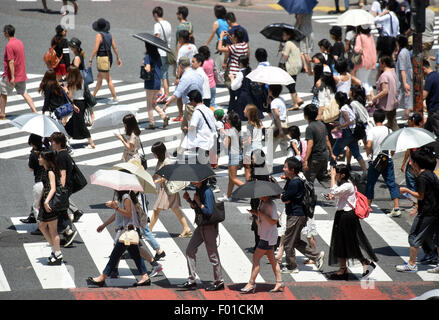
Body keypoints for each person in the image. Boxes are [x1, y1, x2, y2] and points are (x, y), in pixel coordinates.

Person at [87, 190, 151, 287]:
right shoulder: (123, 198)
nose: (114, 189)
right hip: (128, 232)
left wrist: (116, 207)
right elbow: (117, 215)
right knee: (136, 255)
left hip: (128, 232)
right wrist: (104, 225)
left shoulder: (126, 197)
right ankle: (145, 276)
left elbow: (128, 213)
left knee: (115, 255)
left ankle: (102, 277)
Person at [326, 164, 378, 280]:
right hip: (342, 215)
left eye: (337, 174)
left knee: (350, 243)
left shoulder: (348, 185)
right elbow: (337, 195)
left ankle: (365, 263)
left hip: (347, 216)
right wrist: (331, 196)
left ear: (342, 174)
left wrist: (332, 178)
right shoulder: (346, 184)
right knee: (340, 243)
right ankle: (343, 269)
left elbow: (334, 191)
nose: (335, 176)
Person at [396, 147, 439, 273]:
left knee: (414, 236)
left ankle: (412, 264)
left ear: (417, 163)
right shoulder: (431, 174)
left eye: (412, 162)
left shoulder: (421, 177)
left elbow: (421, 195)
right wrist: (417, 207)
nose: (411, 164)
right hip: (436, 211)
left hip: (427, 212)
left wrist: (406, 190)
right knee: (436, 238)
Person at [280, 157, 325, 274]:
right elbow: (285, 196)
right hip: (296, 214)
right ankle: (316, 256)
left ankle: (292, 266)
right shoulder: (292, 180)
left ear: (292, 170)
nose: (283, 169)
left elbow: (284, 198)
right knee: (294, 241)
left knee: (288, 242)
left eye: (285, 167)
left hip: (296, 215)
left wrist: (284, 197)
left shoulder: (295, 182)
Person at [179, 179, 225, 291]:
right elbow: (197, 208)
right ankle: (191, 280)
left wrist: (198, 202)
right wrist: (189, 200)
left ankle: (219, 281)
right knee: (190, 250)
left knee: (212, 255)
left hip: (209, 227)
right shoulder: (198, 189)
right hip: (201, 226)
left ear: (202, 180)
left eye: (195, 179)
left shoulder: (207, 192)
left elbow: (208, 211)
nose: (192, 180)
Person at [149, 141, 192, 238]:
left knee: (157, 209)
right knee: (175, 209)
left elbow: (168, 176)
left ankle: (149, 230)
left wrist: (156, 181)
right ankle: (187, 229)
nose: (153, 155)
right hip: (164, 189)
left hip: (168, 190)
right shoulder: (160, 160)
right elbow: (157, 173)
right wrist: (150, 180)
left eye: (154, 153)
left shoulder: (167, 161)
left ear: (159, 152)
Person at [242, 195, 283, 293]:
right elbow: (262, 216)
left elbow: (274, 221)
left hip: (268, 236)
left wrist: (262, 214)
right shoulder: (262, 203)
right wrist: (255, 213)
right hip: (264, 234)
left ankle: (251, 283)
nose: (258, 196)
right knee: (272, 259)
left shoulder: (271, 205)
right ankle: (279, 281)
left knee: (256, 258)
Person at [365, 109, 401, 217]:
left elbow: (368, 144)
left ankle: (368, 206)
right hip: (387, 159)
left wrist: (369, 153)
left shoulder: (372, 131)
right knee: (391, 183)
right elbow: (393, 146)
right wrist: (391, 154)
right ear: (384, 118)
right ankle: (396, 207)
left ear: (375, 119)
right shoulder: (388, 130)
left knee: (370, 183)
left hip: (376, 160)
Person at [0, 25, 38, 120]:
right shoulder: (20, 42)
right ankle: (35, 111)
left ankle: (2, 114)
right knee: (24, 93)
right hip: (21, 74)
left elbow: (11, 62)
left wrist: (12, 77)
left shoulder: (9, 45)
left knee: (3, 93)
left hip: (11, 76)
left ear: (6, 33)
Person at [163, 57, 203, 144]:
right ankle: (181, 148)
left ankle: (198, 149)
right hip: (198, 103)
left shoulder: (185, 77)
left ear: (181, 66)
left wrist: (167, 104)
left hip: (190, 106)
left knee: (192, 129)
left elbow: (177, 94)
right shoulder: (197, 74)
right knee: (184, 127)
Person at [50, 132, 84, 229]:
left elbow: (63, 174)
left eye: (53, 142)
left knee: (61, 211)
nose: (52, 143)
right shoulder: (64, 154)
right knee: (63, 212)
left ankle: (68, 231)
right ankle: (68, 230)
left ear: (59, 143)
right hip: (68, 186)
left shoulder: (61, 156)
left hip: (65, 186)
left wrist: (61, 188)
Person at [331, 91, 368, 177]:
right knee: (356, 153)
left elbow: (348, 121)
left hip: (346, 133)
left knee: (334, 151)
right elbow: (352, 120)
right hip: (353, 133)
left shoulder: (343, 109)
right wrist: (338, 123)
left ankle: (332, 171)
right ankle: (365, 171)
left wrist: (338, 127)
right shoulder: (348, 106)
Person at [37, 151, 65, 265]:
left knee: (53, 230)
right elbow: (45, 187)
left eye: (40, 157)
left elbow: (53, 188)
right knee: (42, 226)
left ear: (45, 159)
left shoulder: (50, 172)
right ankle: (55, 250)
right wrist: (40, 201)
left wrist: (46, 201)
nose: (38, 159)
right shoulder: (45, 171)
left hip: (50, 203)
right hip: (45, 201)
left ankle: (57, 253)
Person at [88, 18, 121, 104]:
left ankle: (115, 97)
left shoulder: (99, 35)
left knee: (108, 79)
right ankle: (93, 95)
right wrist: (118, 57)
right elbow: (115, 47)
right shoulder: (110, 35)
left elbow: (95, 49)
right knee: (100, 77)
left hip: (102, 59)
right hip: (109, 58)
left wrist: (90, 60)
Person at [303, 104, 336, 185]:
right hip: (324, 156)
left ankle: (310, 197)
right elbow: (327, 140)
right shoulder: (322, 124)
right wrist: (332, 154)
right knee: (323, 178)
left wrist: (306, 160)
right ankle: (333, 188)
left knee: (308, 180)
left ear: (306, 115)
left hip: (315, 158)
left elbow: (310, 145)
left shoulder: (310, 128)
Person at [64, 66, 95, 149]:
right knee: (72, 123)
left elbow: (70, 96)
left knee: (80, 123)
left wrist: (65, 90)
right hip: (83, 103)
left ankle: (91, 142)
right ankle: (66, 139)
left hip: (76, 103)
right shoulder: (81, 80)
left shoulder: (72, 83)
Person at [400, 112, 424, 216]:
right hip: (422, 163)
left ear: (413, 120)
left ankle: (416, 205)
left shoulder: (411, 133)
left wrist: (404, 163)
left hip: (412, 163)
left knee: (411, 185)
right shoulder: (423, 132)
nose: (408, 121)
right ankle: (419, 204)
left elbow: (408, 150)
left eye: (409, 119)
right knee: (420, 184)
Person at [20, 134, 46, 225]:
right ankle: (32, 216)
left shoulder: (33, 155)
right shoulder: (46, 151)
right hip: (48, 179)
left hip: (39, 181)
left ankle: (40, 226)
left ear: (31, 142)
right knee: (42, 201)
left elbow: (31, 169)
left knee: (37, 205)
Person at [218, 112, 244, 202]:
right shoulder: (238, 129)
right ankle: (228, 196)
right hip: (238, 154)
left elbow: (226, 144)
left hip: (234, 156)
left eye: (227, 118)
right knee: (231, 177)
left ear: (229, 121)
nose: (225, 119)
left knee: (233, 178)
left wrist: (223, 133)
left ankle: (251, 191)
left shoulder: (231, 131)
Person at [143, 42, 169, 130]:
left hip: (150, 82)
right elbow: (160, 66)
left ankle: (151, 123)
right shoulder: (158, 56)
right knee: (153, 102)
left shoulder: (148, 56)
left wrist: (144, 65)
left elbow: (148, 69)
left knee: (149, 104)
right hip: (158, 82)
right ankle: (164, 116)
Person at [371, 55, 399, 132]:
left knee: (380, 123)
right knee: (392, 122)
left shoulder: (384, 75)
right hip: (393, 102)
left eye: (379, 63)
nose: (378, 64)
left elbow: (385, 91)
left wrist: (375, 98)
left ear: (383, 63)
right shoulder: (392, 72)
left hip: (385, 104)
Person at [217, 28, 249, 92]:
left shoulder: (235, 47)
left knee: (233, 94)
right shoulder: (245, 45)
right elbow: (236, 43)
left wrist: (221, 37)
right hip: (241, 72)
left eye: (233, 35)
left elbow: (219, 48)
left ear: (236, 38)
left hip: (234, 74)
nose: (232, 36)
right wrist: (229, 37)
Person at [153, 6, 172, 104]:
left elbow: (157, 38)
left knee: (157, 73)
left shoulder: (157, 25)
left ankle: (160, 93)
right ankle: (167, 94)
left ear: (156, 14)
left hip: (160, 52)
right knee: (165, 74)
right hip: (167, 51)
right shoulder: (168, 24)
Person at [268, 84, 289, 172]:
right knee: (286, 147)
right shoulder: (282, 99)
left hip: (277, 125)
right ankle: (292, 164)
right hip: (285, 124)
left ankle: (268, 170)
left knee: (271, 148)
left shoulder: (274, 102)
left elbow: (277, 115)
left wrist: (280, 130)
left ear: (271, 91)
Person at [281, 31, 303, 111]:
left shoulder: (288, 43)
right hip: (298, 65)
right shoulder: (296, 42)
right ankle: (298, 99)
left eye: (284, 34)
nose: (283, 36)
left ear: (289, 35)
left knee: (289, 84)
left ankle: (295, 104)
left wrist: (282, 51)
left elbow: (286, 56)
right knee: (291, 83)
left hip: (291, 66)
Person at [353, 25, 377, 100]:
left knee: (362, 81)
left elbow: (357, 49)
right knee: (366, 80)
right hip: (371, 60)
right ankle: (373, 97)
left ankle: (369, 99)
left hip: (363, 61)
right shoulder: (370, 36)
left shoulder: (359, 37)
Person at [243, 104, 264, 182]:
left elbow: (249, 139)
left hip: (251, 149)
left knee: (247, 168)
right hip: (259, 148)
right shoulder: (259, 122)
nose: (243, 111)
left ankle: (248, 186)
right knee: (257, 171)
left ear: (249, 112)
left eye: (245, 109)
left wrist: (243, 142)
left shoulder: (249, 124)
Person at [395, 35, 413, 119]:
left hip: (404, 80)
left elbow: (402, 69)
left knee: (403, 99)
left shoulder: (402, 53)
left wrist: (405, 83)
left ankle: (407, 117)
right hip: (408, 78)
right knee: (407, 99)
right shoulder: (406, 51)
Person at [422, 59, 439, 138]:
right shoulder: (437, 75)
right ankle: (424, 148)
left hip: (434, 110)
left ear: (423, 68)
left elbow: (424, 95)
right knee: (426, 132)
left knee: (437, 132)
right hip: (434, 109)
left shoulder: (429, 79)